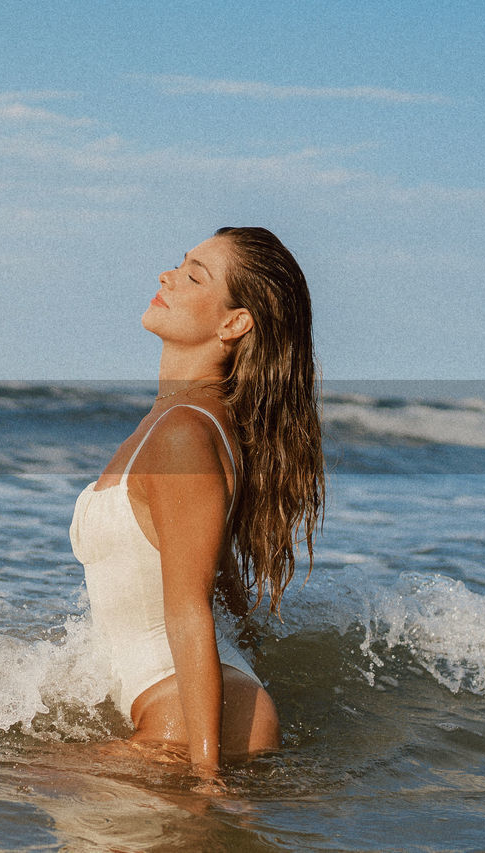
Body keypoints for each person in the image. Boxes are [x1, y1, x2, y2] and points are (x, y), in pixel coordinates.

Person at [70, 226, 324, 782]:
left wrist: (205, 774)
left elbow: (191, 609)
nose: (168, 277)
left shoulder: (183, 431)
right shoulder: (179, 422)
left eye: (192, 275)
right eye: (178, 265)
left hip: (184, 723)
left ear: (234, 324)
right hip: (186, 710)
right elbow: (219, 577)